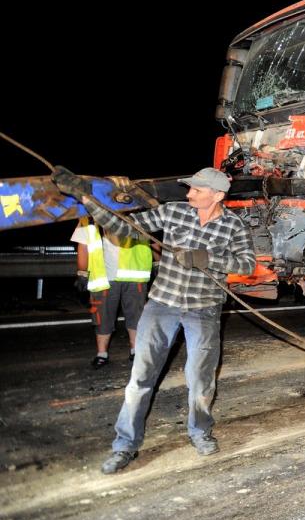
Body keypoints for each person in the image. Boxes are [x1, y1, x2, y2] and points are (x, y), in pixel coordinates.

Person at [52, 166, 256, 474]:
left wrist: (206, 259)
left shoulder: (234, 226)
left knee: (201, 379)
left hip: (204, 309)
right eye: (189, 189)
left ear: (217, 196)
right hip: (162, 306)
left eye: (196, 190)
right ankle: (124, 446)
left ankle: (200, 432)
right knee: (141, 378)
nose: (188, 194)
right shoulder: (173, 212)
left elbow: (247, 263)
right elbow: (125, 227)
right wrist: (86, 198)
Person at [70, 217, 153, 367]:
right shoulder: (88, 219)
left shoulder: (138, 214)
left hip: (135, 274)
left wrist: (157, 264)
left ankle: (136, 351)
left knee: (137, 315)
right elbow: (83, 246)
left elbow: (152, 241)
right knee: (102, 317)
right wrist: (82, 273)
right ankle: (102, 354)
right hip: (103, 278)